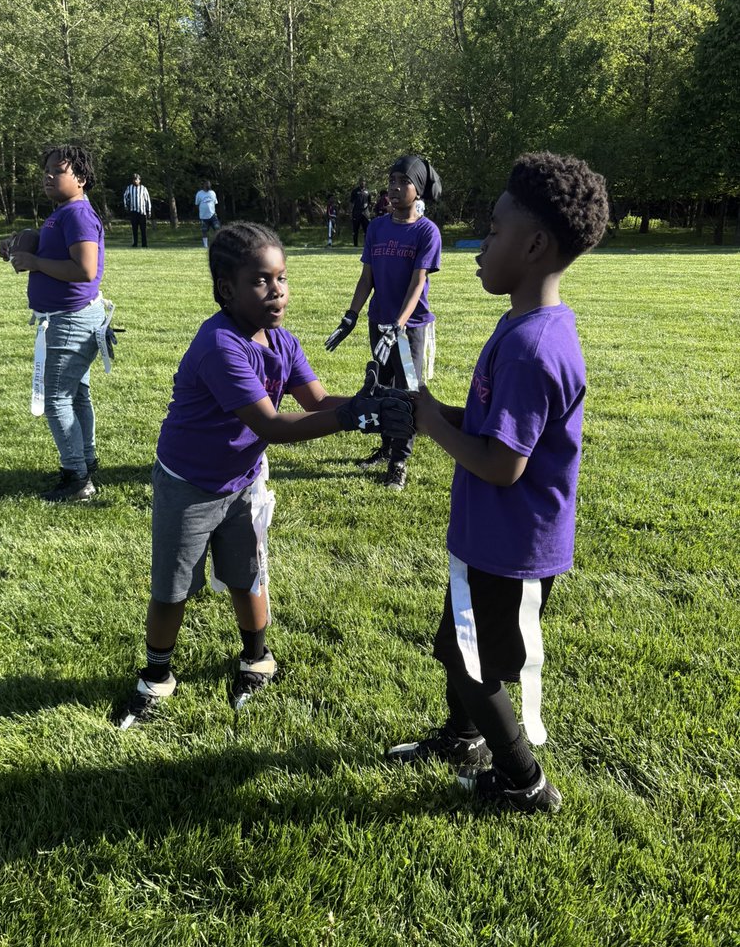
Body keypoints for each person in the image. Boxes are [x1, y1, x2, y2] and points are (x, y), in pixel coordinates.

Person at [114, 221, 414, 728]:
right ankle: (157, 676)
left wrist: (378, 405)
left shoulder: (281, 340)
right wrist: (353, 418)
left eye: (282, 278)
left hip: (244, 478)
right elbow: (272, 425)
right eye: (260, 281)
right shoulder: (221, 347)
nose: (276, 291)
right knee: (173, 586)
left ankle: (256, 659)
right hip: (190, 482)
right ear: (227, 289)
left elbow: (316, 402)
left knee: (247, 573)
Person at [386, 152, 609, 814]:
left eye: (495, 231)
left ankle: (526, 781)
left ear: (535, 245)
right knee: (457, 644)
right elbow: (492, 429)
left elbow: (501, 464)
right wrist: (437, 410)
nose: (482, 246)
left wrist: (430, 423)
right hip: (491, 538)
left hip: (514, 548)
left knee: (471, 664)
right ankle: (462, 738)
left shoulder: (535, 347)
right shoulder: (523, 325)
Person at [326, 154, 443, 492]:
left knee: (406, 395)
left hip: (410, 327)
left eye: (402, 182)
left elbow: (417, 282)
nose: (393, 188)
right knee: (381, 388)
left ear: (417, 189)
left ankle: (399, 463)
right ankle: (386, 448)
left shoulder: (426, 231)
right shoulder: (377, 227)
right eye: (391, 181)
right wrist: (351, 316)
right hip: (379, 322)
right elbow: (367, 279)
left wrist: (399, 326)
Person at [2, 145, 106, 503]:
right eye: (46, 170)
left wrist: (33, 261)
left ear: (80, 178)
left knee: (57, 399)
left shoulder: (76, 214)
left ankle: (76, 480)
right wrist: (27, 240)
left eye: (57, 171)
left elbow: (84, 270)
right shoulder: (63, 212)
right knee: (76, 395)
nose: (47, 176)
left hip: (69, 321)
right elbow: (57, 248)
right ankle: (86, 464)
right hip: (70, 318)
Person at [123, 173, 152, 248]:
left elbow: (147, 199)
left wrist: (149, 210)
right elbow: (125, 196)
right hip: (133, 211)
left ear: (139, 180)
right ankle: (135, 243)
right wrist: (126, 205)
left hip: (142, 211)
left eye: (137, 179)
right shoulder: (129, 188)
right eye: (134, 179)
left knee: (143, 229)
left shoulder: (143, 188)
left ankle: (144, 244)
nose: (135, 181)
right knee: (134, 229)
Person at [195, 179, 220, 249]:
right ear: (203, 185)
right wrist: (202, 210)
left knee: (217, 229)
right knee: (204, 230)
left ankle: (217, 244)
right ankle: (205, 245)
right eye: (207, 184)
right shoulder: (199, 194)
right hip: (203, 216)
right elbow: (197, 204)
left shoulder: (212, 193)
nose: (208, 185)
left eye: (209, 184)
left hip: (213, 215)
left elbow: (215, 203)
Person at [349, 178, 371, 247]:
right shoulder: (355, 191)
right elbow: (351, 202)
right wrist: (350, 212)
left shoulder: (367, 192)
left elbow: (369, 202)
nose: (362, 183)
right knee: (355, 230)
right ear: (359, 182)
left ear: (365, 183)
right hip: (356, 213)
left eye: (363, 182)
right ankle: (355, 245)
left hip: (365, 213)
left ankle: (366, 245)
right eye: (361, 182)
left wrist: (369, 212)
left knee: (367, 230)